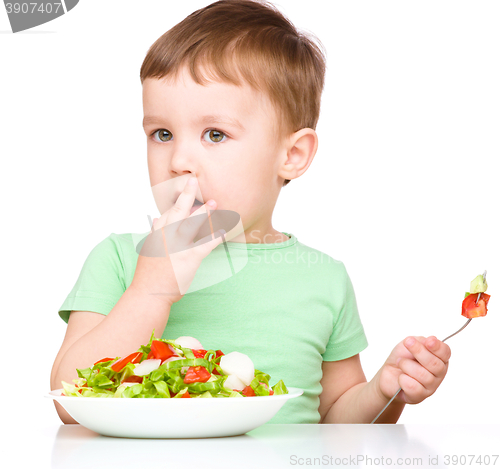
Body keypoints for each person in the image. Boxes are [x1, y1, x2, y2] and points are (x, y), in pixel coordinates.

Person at [50, 0, 451, 425]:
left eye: (215, 134)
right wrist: (150, 290)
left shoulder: (322, 277)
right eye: (162, 133)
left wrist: (385, 392)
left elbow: (336, 419)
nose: (179, 160)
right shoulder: (119, 260)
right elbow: (67, 400)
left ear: (292, 155)